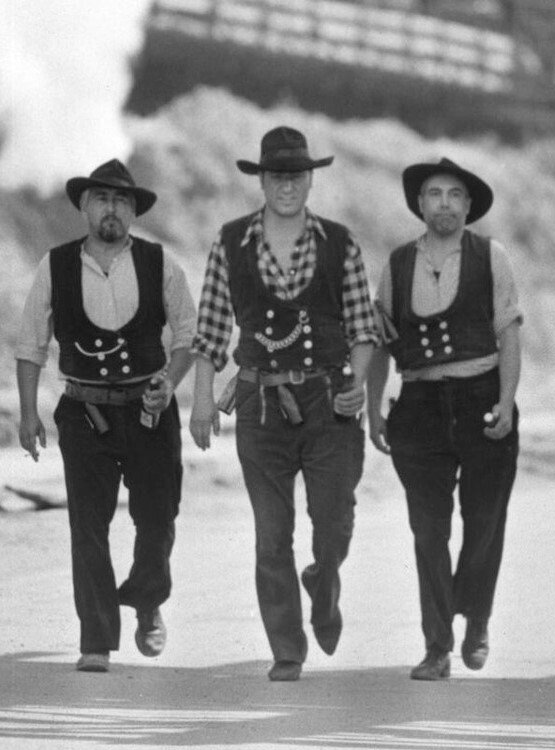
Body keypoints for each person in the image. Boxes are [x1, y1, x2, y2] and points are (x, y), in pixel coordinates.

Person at [189, 126, 378, 682]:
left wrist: (357, 382)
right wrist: (202, 402)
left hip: (329, 401)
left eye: (297, 176)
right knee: (272, 534)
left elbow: (364, 329)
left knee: (334, 522)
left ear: (311, 180)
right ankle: (287, 648)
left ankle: (324, 579)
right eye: (277, 176)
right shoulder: (230, 243)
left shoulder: (340, 243)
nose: (287, 186)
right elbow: (210, 334)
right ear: (262, 180)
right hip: (260, 404)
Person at [14, 159, 197, 673]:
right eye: (100, 199)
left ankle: (147, 599)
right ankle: (95, 638)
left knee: (158, 519)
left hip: (150, 412)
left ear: (134, 211)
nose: (111, 209)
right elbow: (30, 344)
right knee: (88, 526)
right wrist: (28, 413)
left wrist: (169, 382)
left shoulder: (161, 263)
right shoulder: (55, 265)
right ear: (84, 207)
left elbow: (188, 334)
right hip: (84, 411)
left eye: (121, 200)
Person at [364, 158, 522, 680]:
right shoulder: (397, 263)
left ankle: (476, 616)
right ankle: (437, 646)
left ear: (469, 206)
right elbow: (381, 342)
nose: (445, 204)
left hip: (482, 398)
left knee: (485, 521)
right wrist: (373, 407)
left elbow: (509, 335)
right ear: (420, 204)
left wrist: (506, 400)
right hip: (419, 406)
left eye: (455, 195)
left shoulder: (491, 256)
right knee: (427, 531)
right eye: (435, 194)